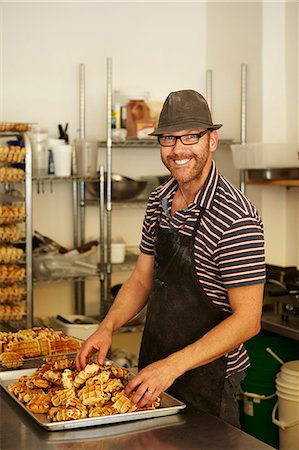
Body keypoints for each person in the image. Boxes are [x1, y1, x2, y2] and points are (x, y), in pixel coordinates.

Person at [76, 89, 266, 427]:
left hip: (210, 378)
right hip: (155, 368)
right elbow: (141, 279)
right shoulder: (159, 200)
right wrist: (106, 328)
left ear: (212, 140)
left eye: (190, 137)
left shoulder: (236, 218)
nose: (178, 150)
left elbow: (248, 320)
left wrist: (174, 365)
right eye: (168, 139)